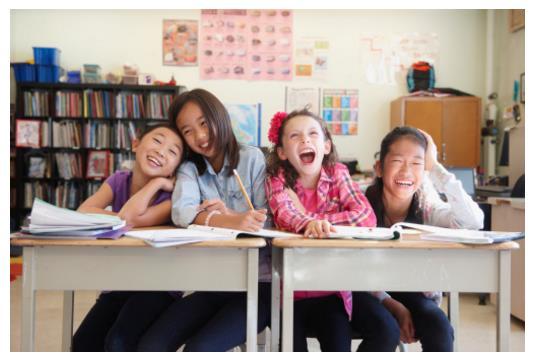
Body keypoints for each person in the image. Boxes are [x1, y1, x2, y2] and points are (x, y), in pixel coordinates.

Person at [137, 88, 271, 352]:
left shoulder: (252, 158)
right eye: (187, 131)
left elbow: (267, 222)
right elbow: (181, 214)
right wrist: (231, 220)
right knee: (150, 346)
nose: (199, 136)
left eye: (203, 124)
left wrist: (221, 216)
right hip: (211, 283)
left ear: (218, 117)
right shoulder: (190, 168)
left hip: (258, 286)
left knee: (199, 350)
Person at [356, 126, 484, 352]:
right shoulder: (359, 201)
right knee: (385, 330)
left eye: (417, 163)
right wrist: (392, 304)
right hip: (364, 289)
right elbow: (349, 270)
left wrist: (435, 169)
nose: (406, 171)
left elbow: (473, 221)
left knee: (440, 328)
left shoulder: (427, 207)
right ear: (379, 168)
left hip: (411, 290)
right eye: (397, 161)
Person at [264, 108, 376, 351]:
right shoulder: (276, 178)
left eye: (313, 133)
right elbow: (284, 215)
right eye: (295, 136)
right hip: (287, 294)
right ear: (282, 152)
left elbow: (366, 217)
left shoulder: (338, 173)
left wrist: (312, 220)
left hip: (331, 290)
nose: (305, 140)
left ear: (326, 146)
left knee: (338, 347)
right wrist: (313, 223)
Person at [72, 124, 185, 351]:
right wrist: (122, 218)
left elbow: (127, 217)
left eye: (173, 152)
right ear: (136, 144)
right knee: (82, 343)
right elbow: (84, 212)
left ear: (175, 169)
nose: (162, 151)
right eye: (157, 141)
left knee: (118, 342)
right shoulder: (119, 180)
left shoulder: (173, 197)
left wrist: (157, 184)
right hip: (121, 282)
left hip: (159, 288)